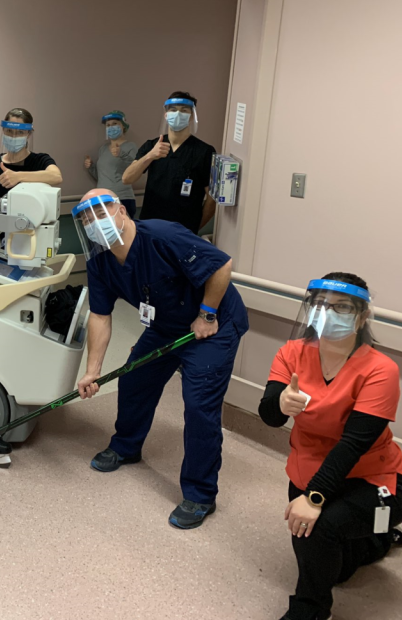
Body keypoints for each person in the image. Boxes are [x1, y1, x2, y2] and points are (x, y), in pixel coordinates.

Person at [74, 189, 248, 529]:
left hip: (212, 324)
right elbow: (100, 316)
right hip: (165, 325)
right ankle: (126, 446)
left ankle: (199, 494)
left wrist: (208, 314)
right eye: (86, 219)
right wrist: (91, 372)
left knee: (199, 405)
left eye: (101, 212)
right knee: (134, 378)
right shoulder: (99, 260)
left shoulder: (162, 235)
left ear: (121, 211)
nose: (95, 222)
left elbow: (222, 264)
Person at [257, 273, 402, 620]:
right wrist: (279, 403)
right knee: (333, 566)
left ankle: (310, 609)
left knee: (320, 526)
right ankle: (377, 541)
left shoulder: (380, 370)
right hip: (311, 466)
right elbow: (269, 416)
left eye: (342, 307)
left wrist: (313, 498)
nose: (329, 313)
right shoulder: (291, 353)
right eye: (321, 305)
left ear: (362, 316)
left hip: (376, 477)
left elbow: (353, 445)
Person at [121, 92, 215, 234]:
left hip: (184, 231)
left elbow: (211, 198)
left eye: (184, 110)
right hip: (150, 227)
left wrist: (194, 227)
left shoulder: (204, 152)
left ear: (191, 116)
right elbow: (127, 178)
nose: (178, 114)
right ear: (166, 115)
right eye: (173, 110)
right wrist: (150, 156)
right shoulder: (152, 146)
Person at [0, 107, 62, 199]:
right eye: (9, 131)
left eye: (20, 132)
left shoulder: (39, 160)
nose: (13, 136)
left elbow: (56, 176)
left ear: (28, 134)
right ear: (3, 131)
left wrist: (18, 176)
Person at [85, 111, 138, 218]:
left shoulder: (130, 146)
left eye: (114, 124)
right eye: (108, 125)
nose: (111, 127)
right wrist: (91, 167)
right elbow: (101, 176)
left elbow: (136, 170)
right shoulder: (103, 149)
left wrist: (121, 155)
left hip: (122, 198)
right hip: (103, 198)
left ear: (123, 126)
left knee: (123, 233)